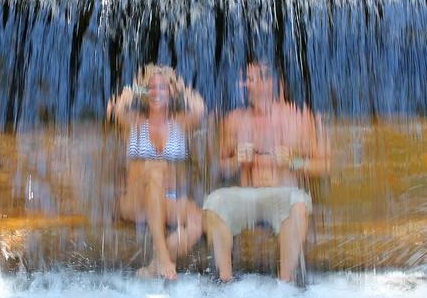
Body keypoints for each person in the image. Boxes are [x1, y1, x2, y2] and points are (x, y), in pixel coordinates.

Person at [203, 60, 328, 283]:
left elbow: (324, 165)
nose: (243, 85)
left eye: (249, 79)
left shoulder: (297, 117)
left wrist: (294, 162)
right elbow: (218, 167)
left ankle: (285, 283)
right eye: (244, 79)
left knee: (297, 206)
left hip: (284, 194)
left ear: (269, 82)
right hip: (246, 195)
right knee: (214, 203)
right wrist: (235, 161)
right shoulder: (234, 120)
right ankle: (225, 282)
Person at [108, 64, 206, 279]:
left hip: (166, 200)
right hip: (135, 200)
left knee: (197, 219)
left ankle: (154, 265)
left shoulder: (180, 123)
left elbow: (199, 108)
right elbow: (115, 108)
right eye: (151, 88)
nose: (156, 92)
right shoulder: (133, 122)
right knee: (154, 173)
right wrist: (136, 86)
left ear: (170, 92)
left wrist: (179, 86)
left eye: (162, 88)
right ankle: (163, 254)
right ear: (144, 92)